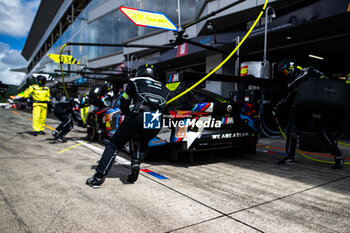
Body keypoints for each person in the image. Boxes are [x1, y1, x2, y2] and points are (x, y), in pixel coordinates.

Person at [86, 64, 171, 188]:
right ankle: (135, 164)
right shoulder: (164, 88)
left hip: (138, 114)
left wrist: (127, 113)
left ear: (140, 72)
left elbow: (124, 101)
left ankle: (98, 177)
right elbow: (166, 109)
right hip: (156, 119)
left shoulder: (135, 81)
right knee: (141, 143)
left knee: (114, 144)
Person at [274, 58, 344, 169]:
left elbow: (325, 79)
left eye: (285, 72)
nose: (285, 75)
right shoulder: (294, 82)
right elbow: (287, 99)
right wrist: (278, 105)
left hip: (315, 106)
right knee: (311, 131)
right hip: (306, 108)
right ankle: (338, 157)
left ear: (290, 68)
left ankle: (290, 157)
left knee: (318, 131)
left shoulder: (308, 71)